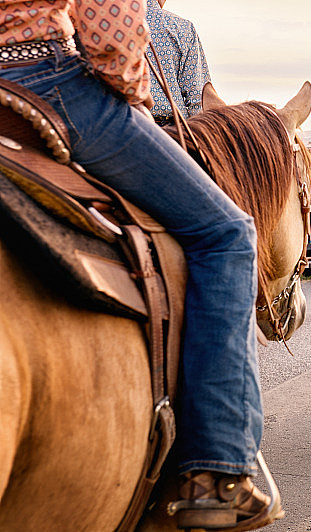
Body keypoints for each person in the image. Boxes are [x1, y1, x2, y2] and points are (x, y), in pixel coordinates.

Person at [0, 2, 280, 529]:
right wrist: (136, 96)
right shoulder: (183, 30)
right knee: (228, 235)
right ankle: (217, 471)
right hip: (46, 82)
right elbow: (111, 33)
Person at [145, 0, 225, 125]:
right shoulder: (182, 27)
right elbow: (197, 97)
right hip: (171, 127)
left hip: (117, 125)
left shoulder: (109, 25)